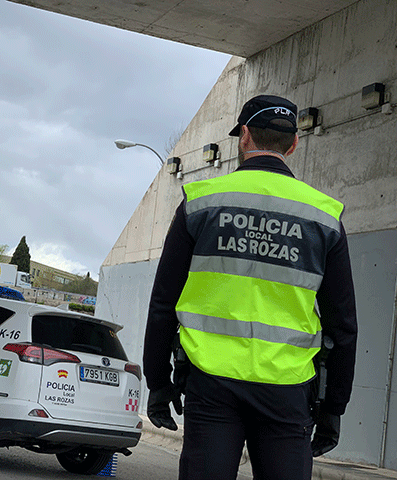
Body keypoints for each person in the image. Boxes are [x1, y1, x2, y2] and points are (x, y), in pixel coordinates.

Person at [143, 94, 358, 480]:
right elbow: (343, 325)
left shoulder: (200, 204)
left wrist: (158, 383)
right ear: (292, 144)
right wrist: (333, 407)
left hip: (211, 384)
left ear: (244, 137)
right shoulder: (324, 217)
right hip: (288, 388)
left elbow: (163, 304)